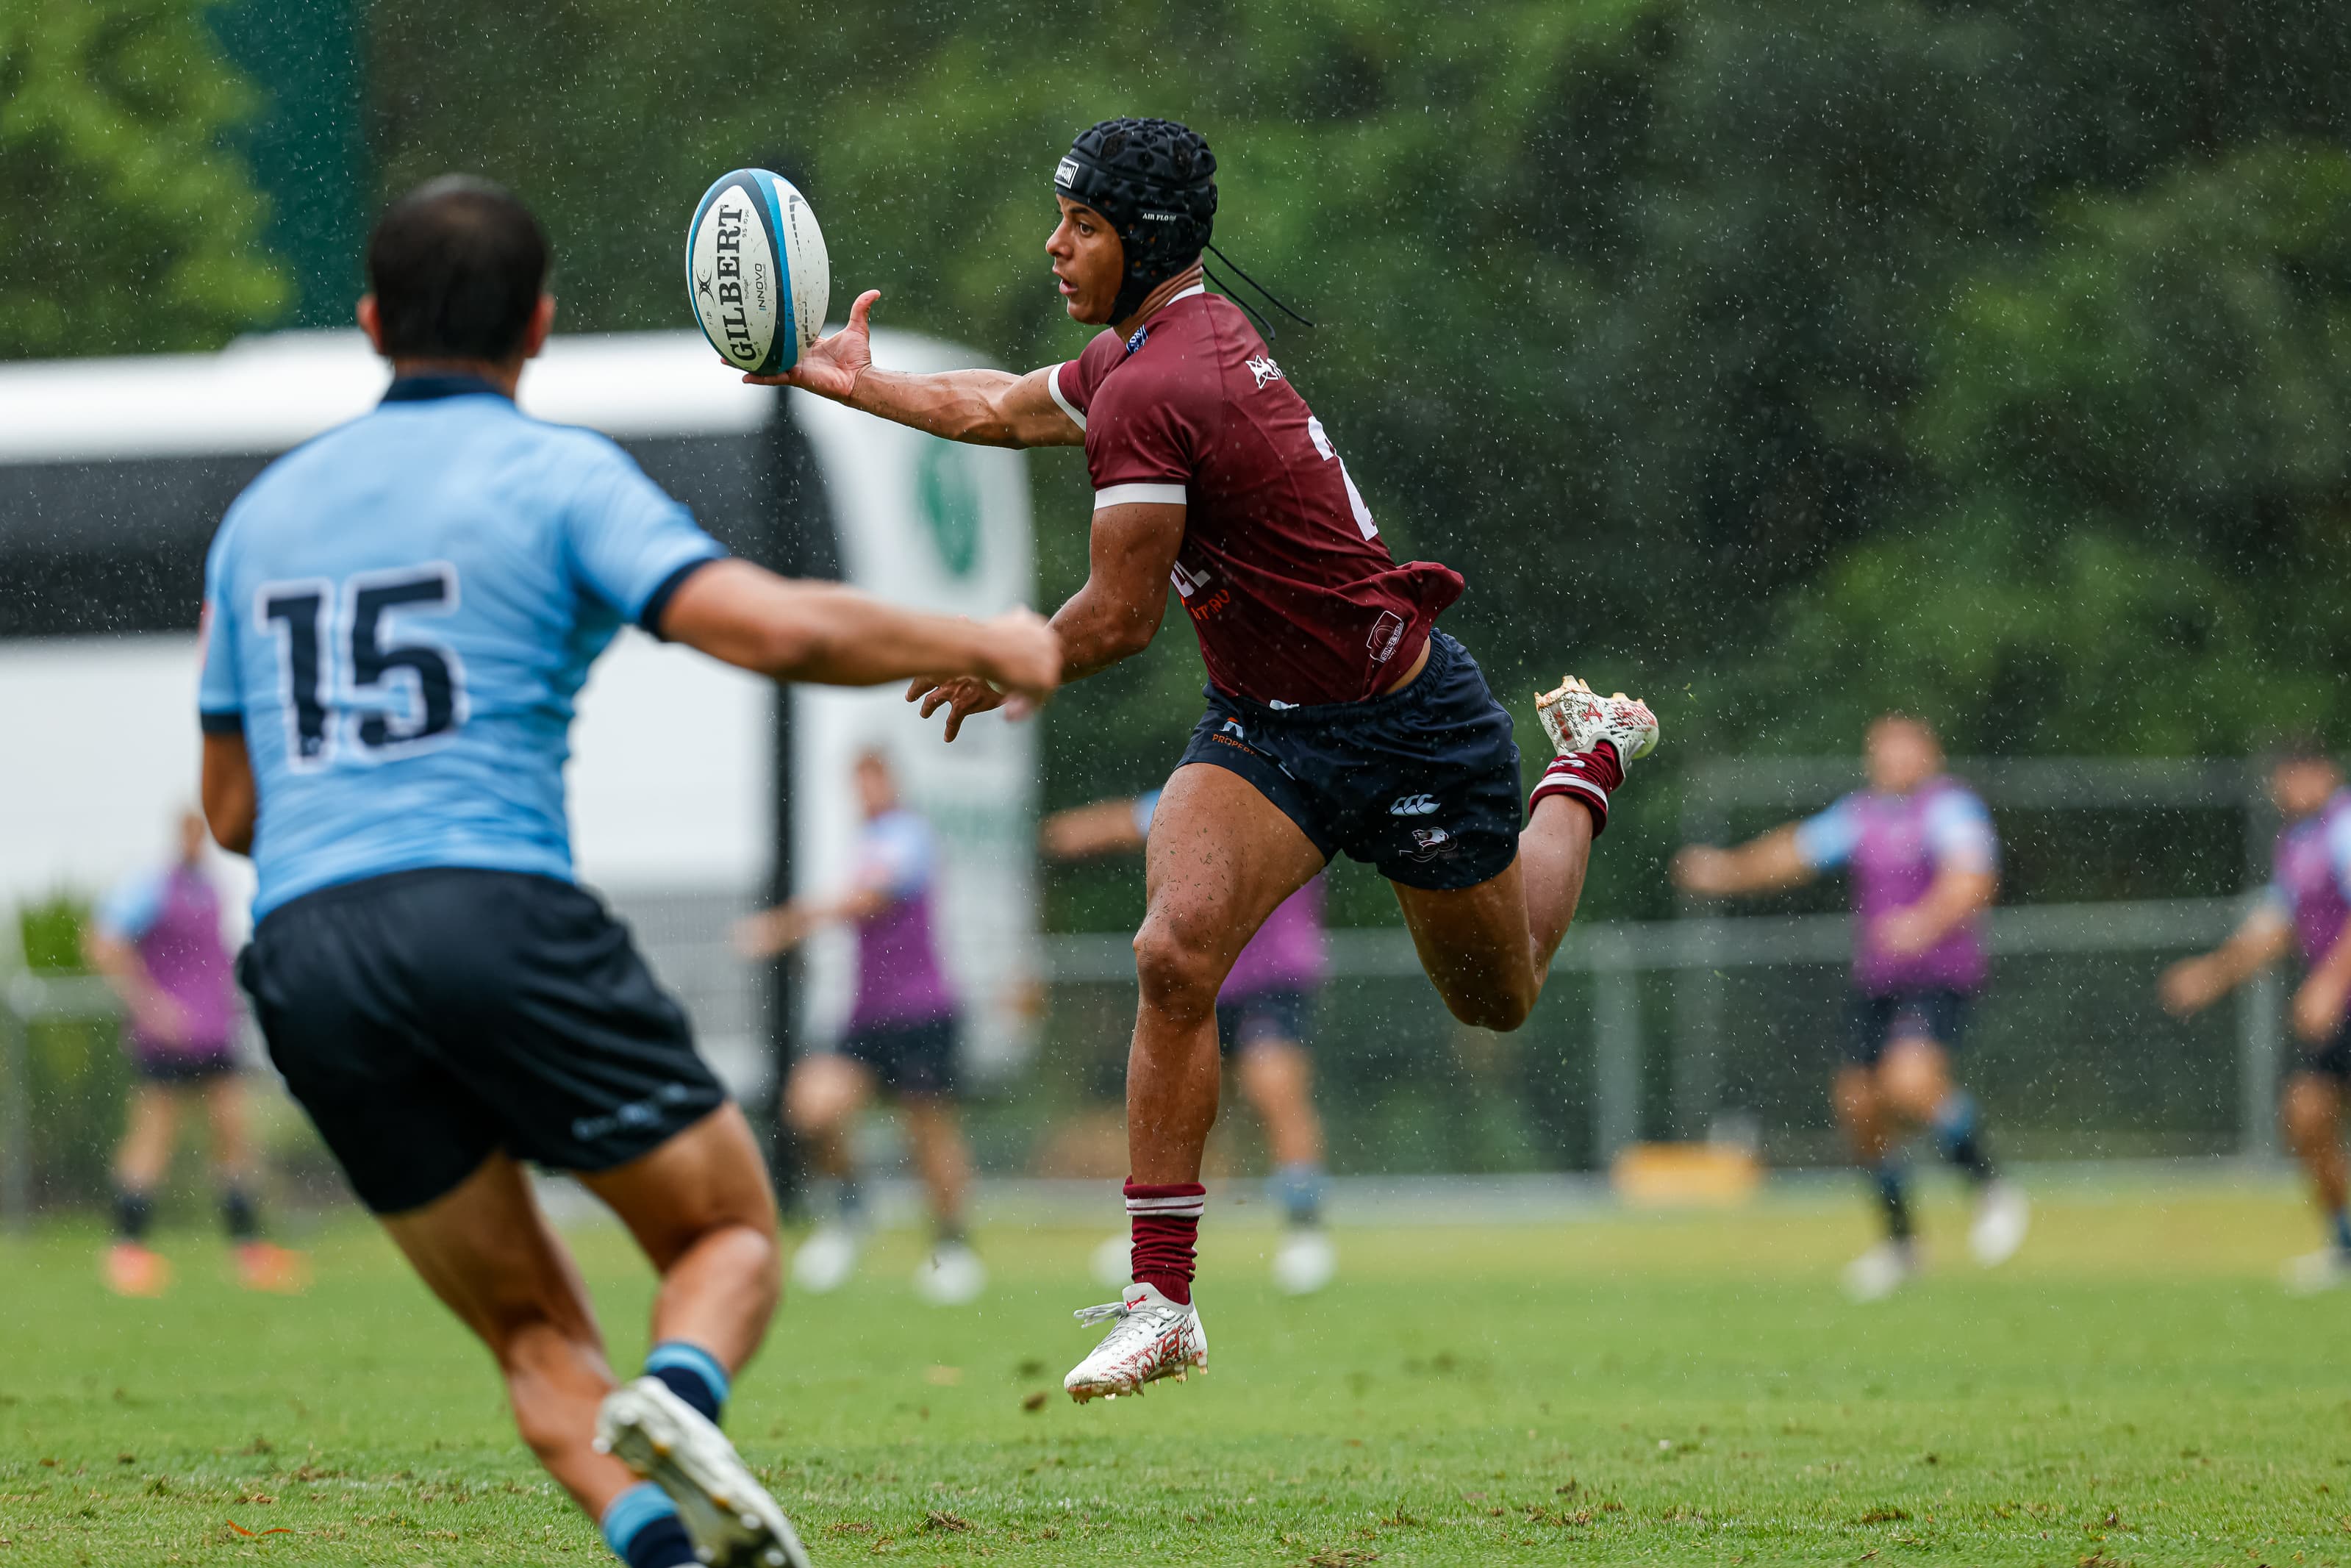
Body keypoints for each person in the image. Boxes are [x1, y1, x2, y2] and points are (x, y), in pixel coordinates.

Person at [197, 176, 1059, 1568]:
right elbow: (766, 627)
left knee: (533, 1332)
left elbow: (234, 812)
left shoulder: (260, 521)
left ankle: (664, 1542)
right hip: (491, 907)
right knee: (725, 1230)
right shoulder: (555, 475)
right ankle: (678, 1395)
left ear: (367, 325)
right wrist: (986, 638)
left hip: (304, 953)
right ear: (537, 328)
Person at [749, 116, 1657, 1401]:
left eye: (1082, 225)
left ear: (1149, 240)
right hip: (1268, 727)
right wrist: (853, 381)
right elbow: (1003, 409)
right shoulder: (1143, 352)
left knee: (1497, 991)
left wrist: (1001, 652)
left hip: (1409, 720)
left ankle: (1587, 764)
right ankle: (1162, 1299)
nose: (1053, 245)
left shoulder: (1162, 385)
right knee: (1172, 953)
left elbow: (1117, 620)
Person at [1671, 715, 2028, 1300]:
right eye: (1880, 751)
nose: (1890, 761)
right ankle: (1902, 1244)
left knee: (1909, 1085)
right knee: (1860, 1109)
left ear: (1928, 753)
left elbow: (1973, 880)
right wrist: (1726, 869)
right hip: (1880, 981)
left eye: (1901, 749)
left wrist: (1924, 922)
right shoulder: (1862, 815)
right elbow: (1794, 851)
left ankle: (1990, 1185)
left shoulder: (1948, 808)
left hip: (1938, 977)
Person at [1043, 787, 1339, 1295]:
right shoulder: (1211, 780)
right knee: (1183, 1103)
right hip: (1208, 971)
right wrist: (1077, 832)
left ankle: (1304, 1231)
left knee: (1276, 1092)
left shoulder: (1297, 790)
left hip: (1274, 977)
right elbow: (1138, 818)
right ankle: (1154, 1238)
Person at [734, 749, 985, 1306]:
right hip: (866, 1014)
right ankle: (852, 1212)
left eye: (873, 780)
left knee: (929, 1132)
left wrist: (787, 925)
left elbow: (868, 901)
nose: (865, 792)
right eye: (858, 782)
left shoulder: (908, 835)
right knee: (811, 1109)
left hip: (922, 1009)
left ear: (893, 781)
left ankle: (953, 1247)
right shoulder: (865, 841)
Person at [84, 808, 304, 1296]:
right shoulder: (150, 887)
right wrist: (151, 1006)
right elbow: (102, 943)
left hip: (214, 1033)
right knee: (153, 1137)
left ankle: (248, 1249)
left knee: (233, 1135)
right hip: (164, 1038)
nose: (195, 838)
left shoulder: (214, 887)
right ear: (176, 834)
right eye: (188, 830)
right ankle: (127, 1250)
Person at [2161, 742, 2351, 1293]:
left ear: (2328, 774)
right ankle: (2344, 1242)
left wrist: (2329, 983)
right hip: (2339, 1006)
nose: (2295, 786)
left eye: (2305, 774)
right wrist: (2211, 975)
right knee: (2306, 1117)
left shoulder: (2343, 825)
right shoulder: (2297, 843)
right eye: (2286, 778)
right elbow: (2276, 926)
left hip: (2338, 994)